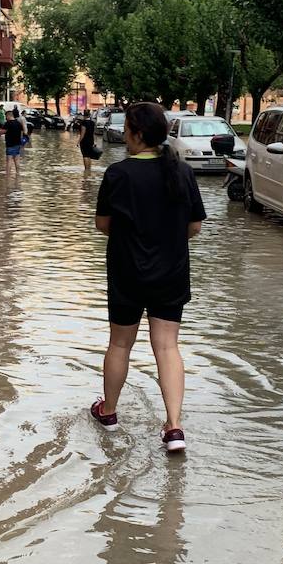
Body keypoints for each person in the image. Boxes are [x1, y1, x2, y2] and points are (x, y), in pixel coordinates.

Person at [92, 101, 206, 453]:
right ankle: (173, 427)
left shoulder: (118, 174)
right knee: (168, 347)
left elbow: (103, 225)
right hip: (171, 272)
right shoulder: (182, 173)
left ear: (138, 133)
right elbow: (195, 226)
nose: (124, 133)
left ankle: (108, 412)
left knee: (120, 344)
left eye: (127, 128)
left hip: (126, 273)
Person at [3, 106, 26, 176]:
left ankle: (8, 175)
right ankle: (18, 173)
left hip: (10, 144)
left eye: (6, 116)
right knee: (17, 160)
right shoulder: (18, 123)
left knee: (9, 160)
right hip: (18, 144)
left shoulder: (8, 123)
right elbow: (23, 132)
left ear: (8, 116)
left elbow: (2, 132)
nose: (6, 118)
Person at [76, 107, 98, 173]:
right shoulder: (92, 123)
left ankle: (86, 170)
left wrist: (78, 142)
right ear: (89, 115)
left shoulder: (83, 123)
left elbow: (82, 134)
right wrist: (94, 141)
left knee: (85, 155)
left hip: (85, 141)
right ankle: (89, 169)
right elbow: (93, 133)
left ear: (84, 115)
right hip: (91, 141)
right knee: (89, 155)